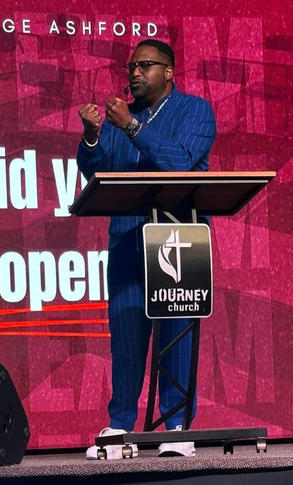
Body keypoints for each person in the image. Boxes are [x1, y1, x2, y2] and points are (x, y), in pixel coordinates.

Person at [77, 39, 216, 459]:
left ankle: (176, 428)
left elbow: (179, 162)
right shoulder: (123, 118)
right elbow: (100, 173)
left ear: (169, 72)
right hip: (127, 239)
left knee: (176, 335)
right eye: (130, 66)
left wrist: (133, 129)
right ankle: (120, 426)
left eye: (145, 66)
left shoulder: (195, 110)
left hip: (179, 237)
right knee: (126, 336)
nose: (133, 73)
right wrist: (91, 138)